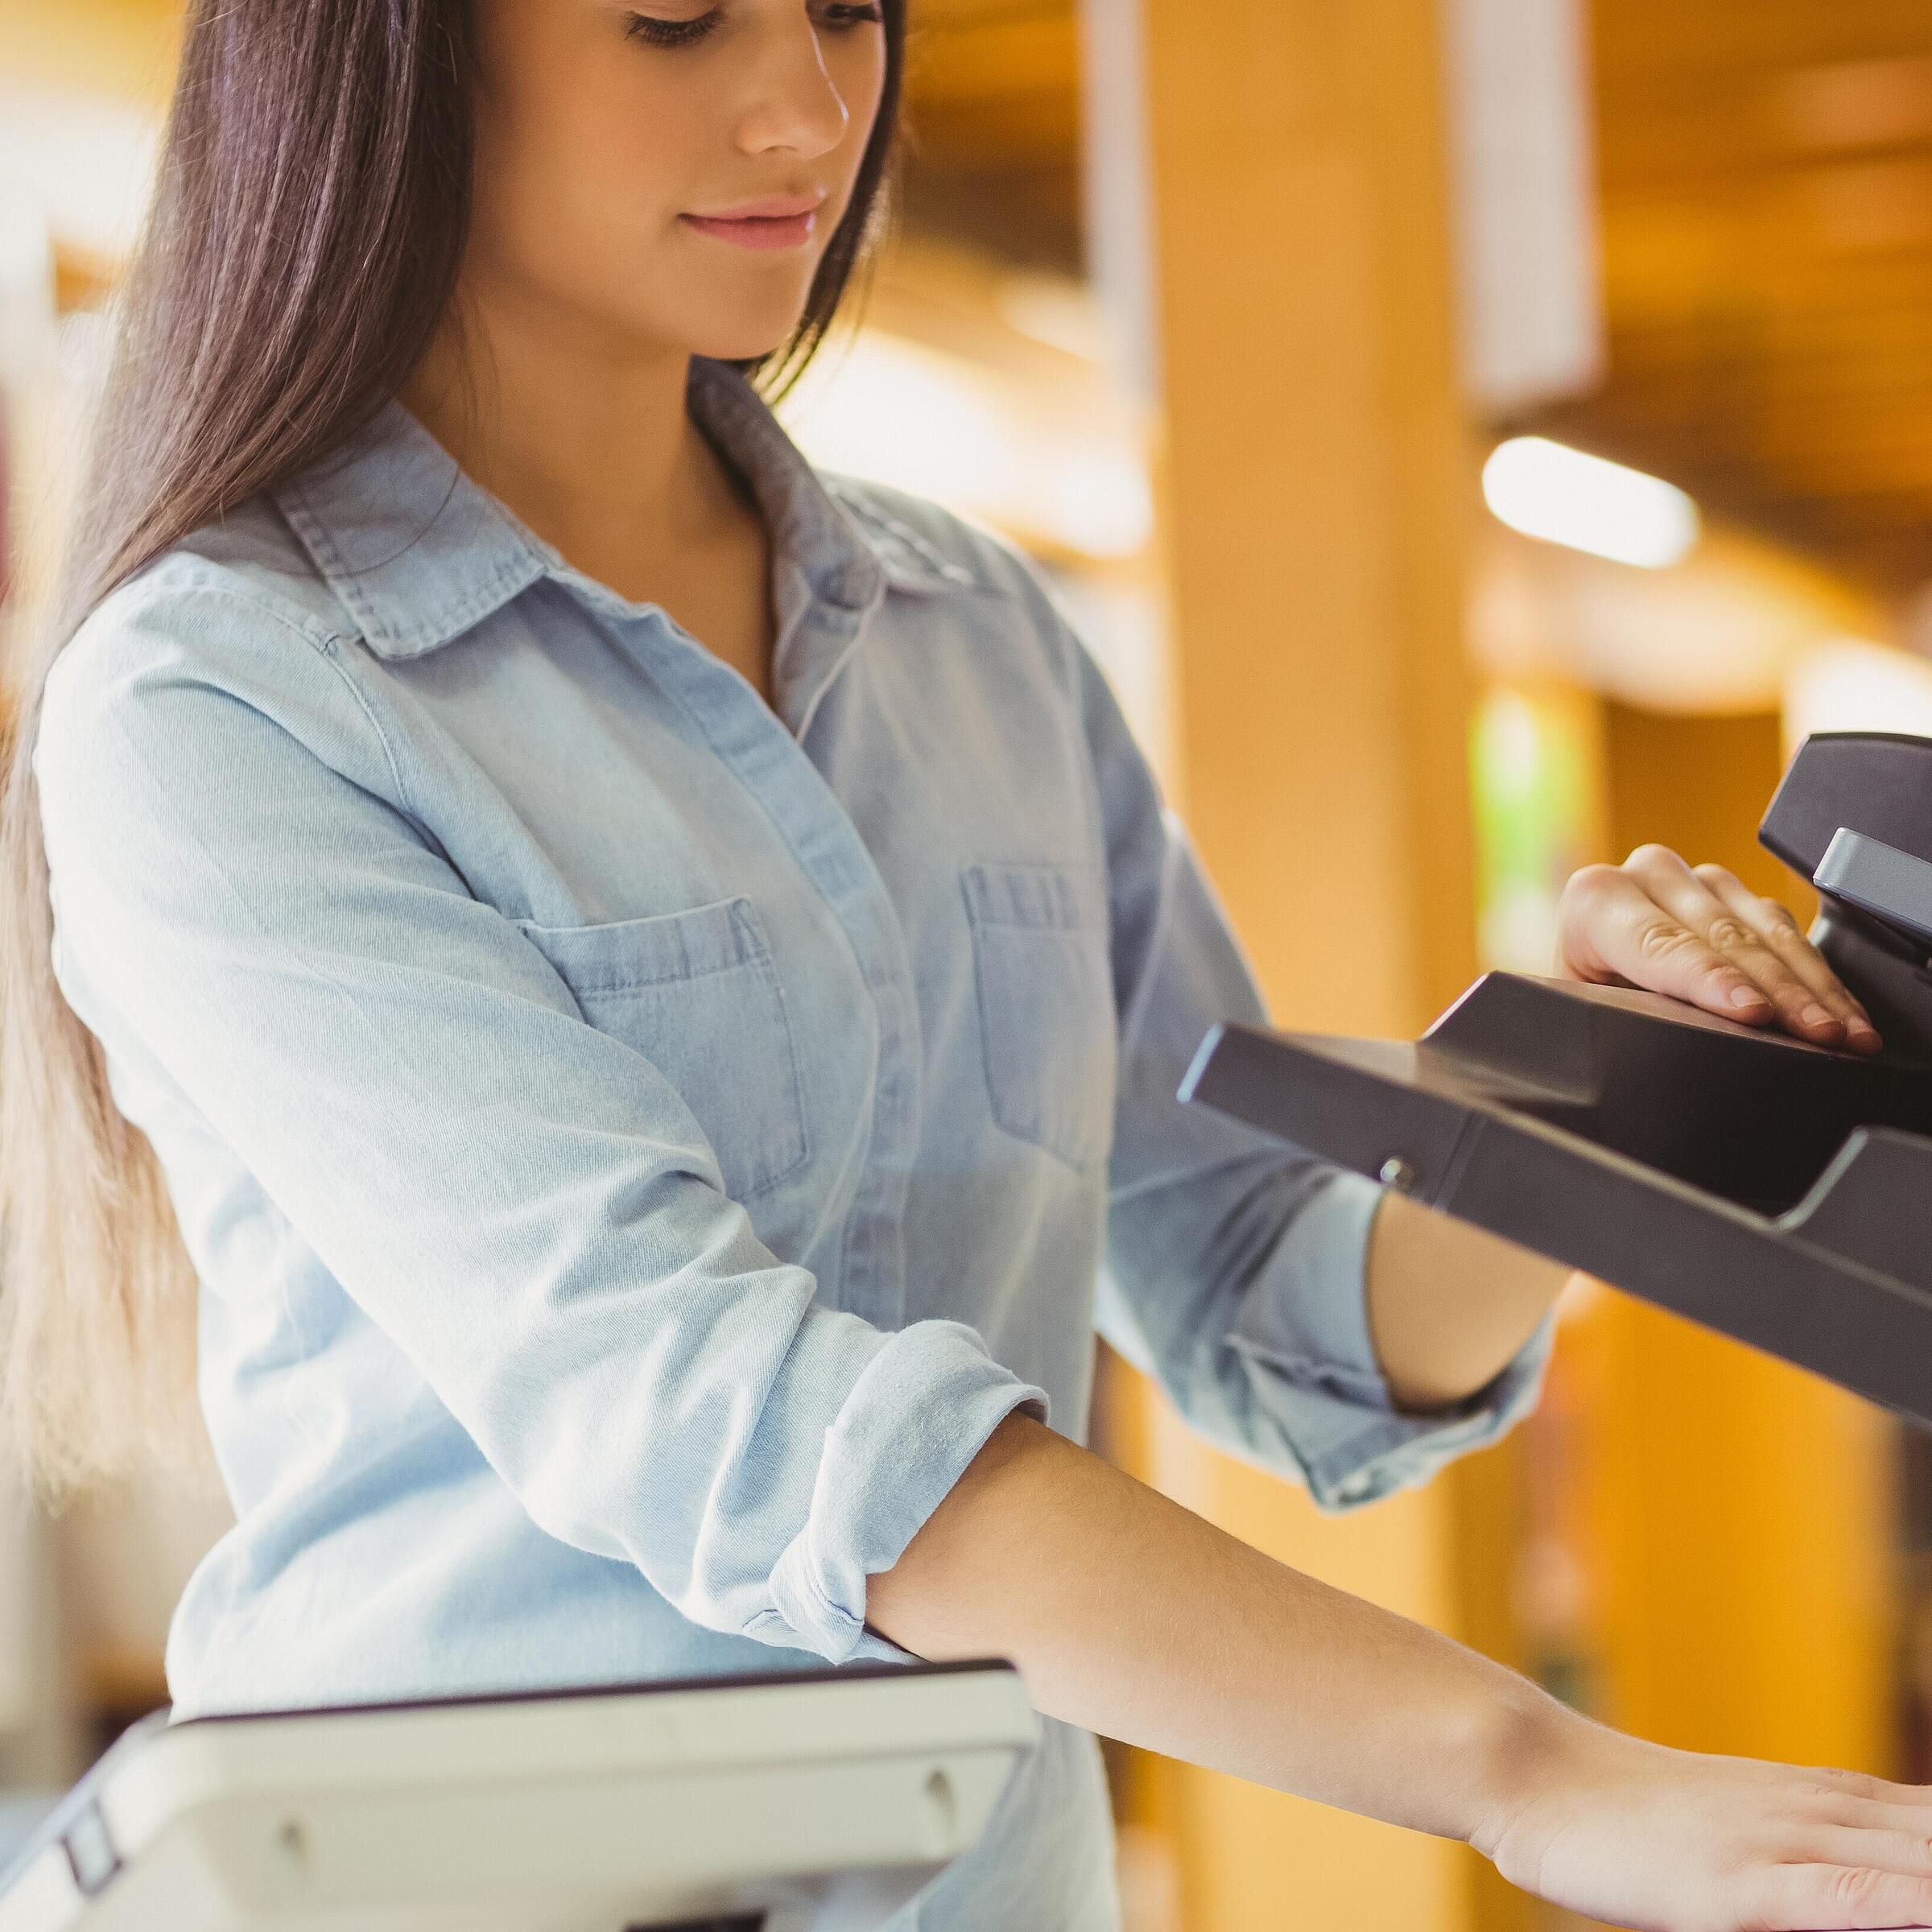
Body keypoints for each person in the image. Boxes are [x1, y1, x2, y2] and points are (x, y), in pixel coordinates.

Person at [0, 3, 1917, 1928]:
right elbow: (722, 1412)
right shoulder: (217, 704)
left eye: (848, 6)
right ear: (387, 56)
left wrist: (1603, 1079)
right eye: (676, 16)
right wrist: (1529, 1774)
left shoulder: (976, 634)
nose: (810, 106)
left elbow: (1282, 1307)